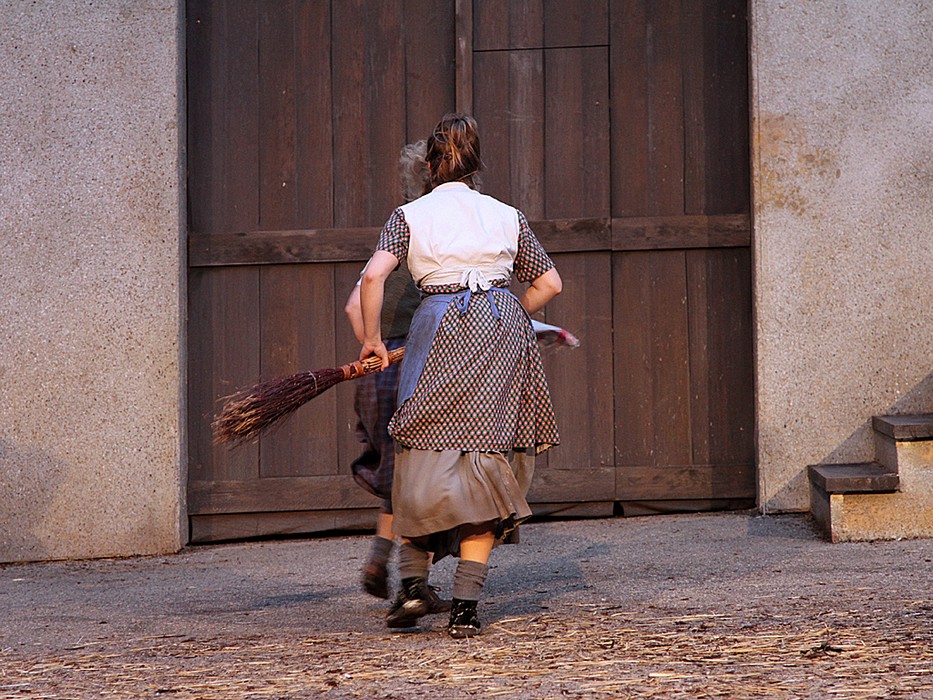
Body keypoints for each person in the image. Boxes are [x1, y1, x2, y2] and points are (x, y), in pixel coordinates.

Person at [358, 113, 562, 638]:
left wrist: (373, 341)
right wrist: (509, 311)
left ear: (430, 167)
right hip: (501, 327)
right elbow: (550, 284)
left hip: (437, 322)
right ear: (475, 168)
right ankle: (466, 609)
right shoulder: (507, 215)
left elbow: (374, 277)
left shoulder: (409, 215)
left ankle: (411, 585)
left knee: (421, 449)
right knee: (487, 454)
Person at [344, 141, 449, 615]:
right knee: (426, 479)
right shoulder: (440, 248)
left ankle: (380, 557)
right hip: (417, 372)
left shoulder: (391, 244)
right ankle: (411, 584)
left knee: (397, 474)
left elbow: (354, 305)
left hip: (377, 375)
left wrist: (375, 347)